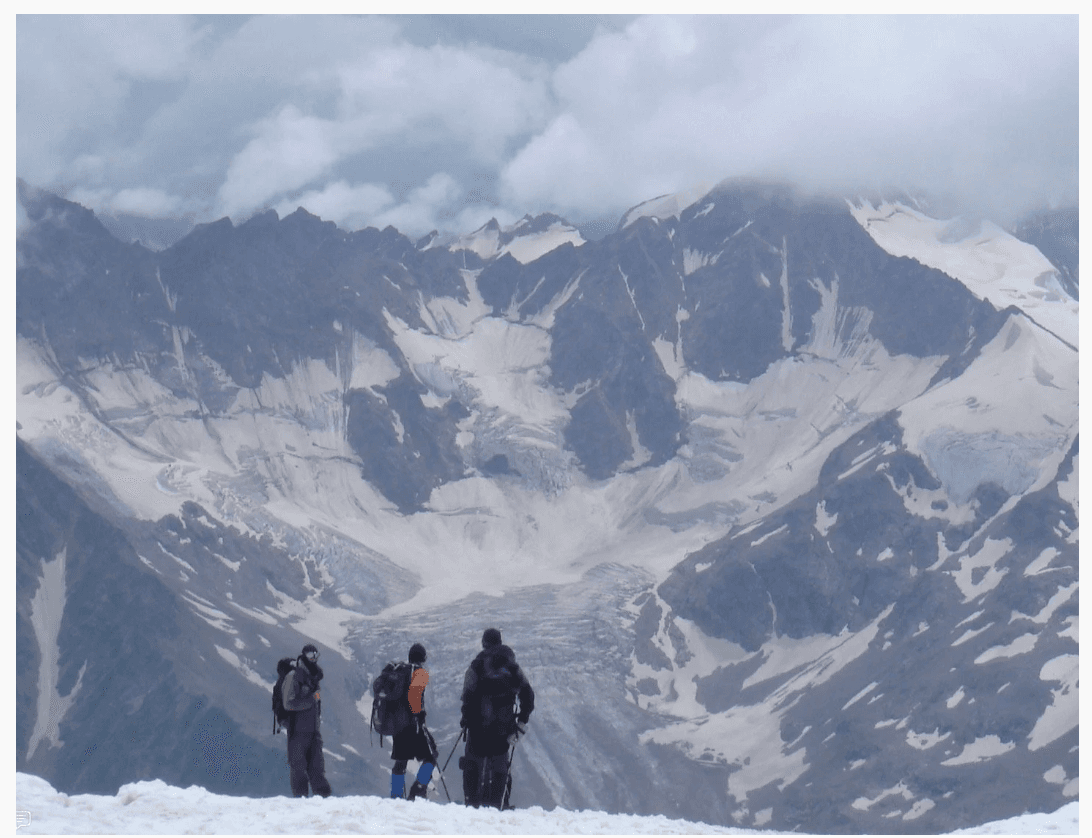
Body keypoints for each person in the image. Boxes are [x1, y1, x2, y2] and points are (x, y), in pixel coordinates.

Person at [459, 628, 534, 809]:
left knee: (472, 763)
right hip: (503, 726)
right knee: (500, 764)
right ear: (500, 642)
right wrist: (521, 721)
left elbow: (467, 695)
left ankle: (471, 803)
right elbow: (528, 695)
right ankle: (499, 804)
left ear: (484, 643)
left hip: (478, 727)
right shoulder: (512, 667)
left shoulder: (477, 665)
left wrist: (466, 719)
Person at [281, 643, 332, 798]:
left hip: (313, 731)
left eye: (316, 655)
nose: (314, 659)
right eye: (310, 655)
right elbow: (288, 703)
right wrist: (311, 700)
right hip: (297, 731)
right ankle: (300, 801)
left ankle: (324, 800)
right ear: (304, 656)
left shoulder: (312, 677)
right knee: (298, 768)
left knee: (317, 767)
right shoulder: (294, 677)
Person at [390, 643, 438, 801]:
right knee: (431, 755)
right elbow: (414, 694)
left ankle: (396, 796)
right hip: (413, 724)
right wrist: (419, 714)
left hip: (397, 724)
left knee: (401, 761)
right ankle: (418, 789)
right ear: (423, 658)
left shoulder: (400, 672)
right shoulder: (420, 673)